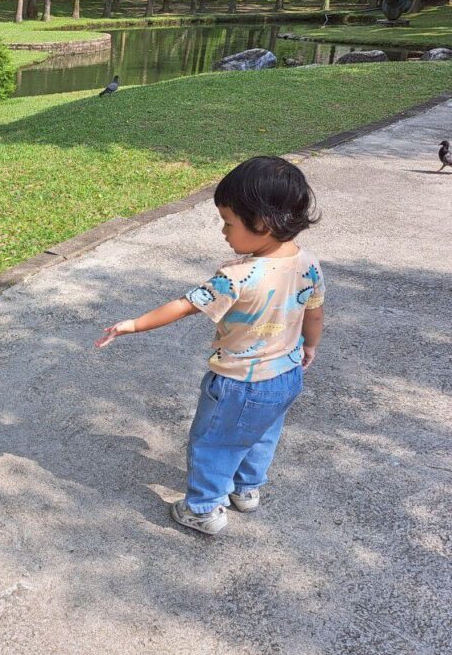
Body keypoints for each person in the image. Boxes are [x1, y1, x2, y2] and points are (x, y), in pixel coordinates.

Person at [96, 157, 325, 536]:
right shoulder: (309, 264)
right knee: (262, 432)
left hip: (238, 381)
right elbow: (314, 314)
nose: (223, 232)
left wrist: (133, 324)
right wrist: (310, 346)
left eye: (228, 222)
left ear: (263, 224)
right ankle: (247, 490)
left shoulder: (237, 275)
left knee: (214, 442)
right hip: (286, 375)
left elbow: (185, 306)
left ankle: (202, 507)